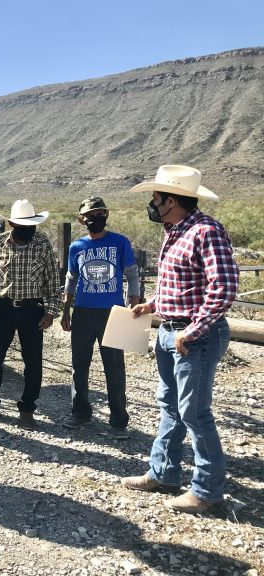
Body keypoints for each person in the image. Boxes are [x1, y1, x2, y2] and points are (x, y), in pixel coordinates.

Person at [122, 165, 238, 513]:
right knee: (170, 404)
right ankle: (164, 472)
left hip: (193, 336)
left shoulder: (206, 231)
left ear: (170, 201)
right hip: (172, 330)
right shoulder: (175, 231)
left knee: (194, 412)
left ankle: (207, 490)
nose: (153, 205)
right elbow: (180, 285)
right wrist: (152, 304)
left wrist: (193, 329)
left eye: (156, 199)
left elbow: (224, 288)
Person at [60, 196, 140, 438]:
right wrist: (66, 310)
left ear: (106, 215)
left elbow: (132, 275)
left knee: (114, 368)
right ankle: (80, 412)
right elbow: (71, 279)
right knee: (79, 365)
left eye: (100, 214)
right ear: (82, 219)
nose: (96, 218)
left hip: (112, 313)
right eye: (90, 215)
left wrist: (133, 307)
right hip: (83, 312)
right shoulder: (77, 247)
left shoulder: (119, 242)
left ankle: (118, 422)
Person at [0, 200, 60, 429]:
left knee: (32, 362)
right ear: (11, 223)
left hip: (32, 309)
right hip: (2, 308)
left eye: (31, 224)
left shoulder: (42, 245)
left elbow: (53, 282)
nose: (28, 229)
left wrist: (51, 312)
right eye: (23, 225)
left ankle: (27, 409)